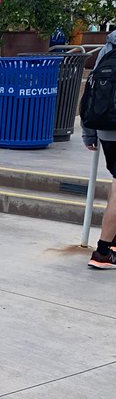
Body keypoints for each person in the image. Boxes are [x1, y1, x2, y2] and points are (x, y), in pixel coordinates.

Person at [82, 31, 116, 269]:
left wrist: (89, 132)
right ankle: (103, 251)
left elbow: (92, 90)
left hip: (105, 128)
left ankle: (112, 243)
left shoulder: (110, 46)